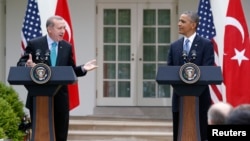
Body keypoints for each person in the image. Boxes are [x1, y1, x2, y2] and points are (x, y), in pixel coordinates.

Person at [17, 15, 98, 141]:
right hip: (39, 97)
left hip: (60, 98)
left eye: (64, 28)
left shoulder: (66, 47)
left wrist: (83, 68)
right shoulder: (35, 44)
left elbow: (69, 71)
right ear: (50, 29)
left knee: (60, 134)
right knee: (40, 133)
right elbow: (21, 64)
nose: (63, 31)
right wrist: (28, 65)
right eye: (60, 28)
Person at [167, 11, 214, 141]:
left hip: (200, 98)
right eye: (179, 21)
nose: (179, 24)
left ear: (193, 25)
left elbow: (207, 70)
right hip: (179, 98)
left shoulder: (206, 44)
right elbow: (169, 71)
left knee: (202, 134)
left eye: (183, 21)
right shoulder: (174, 46)